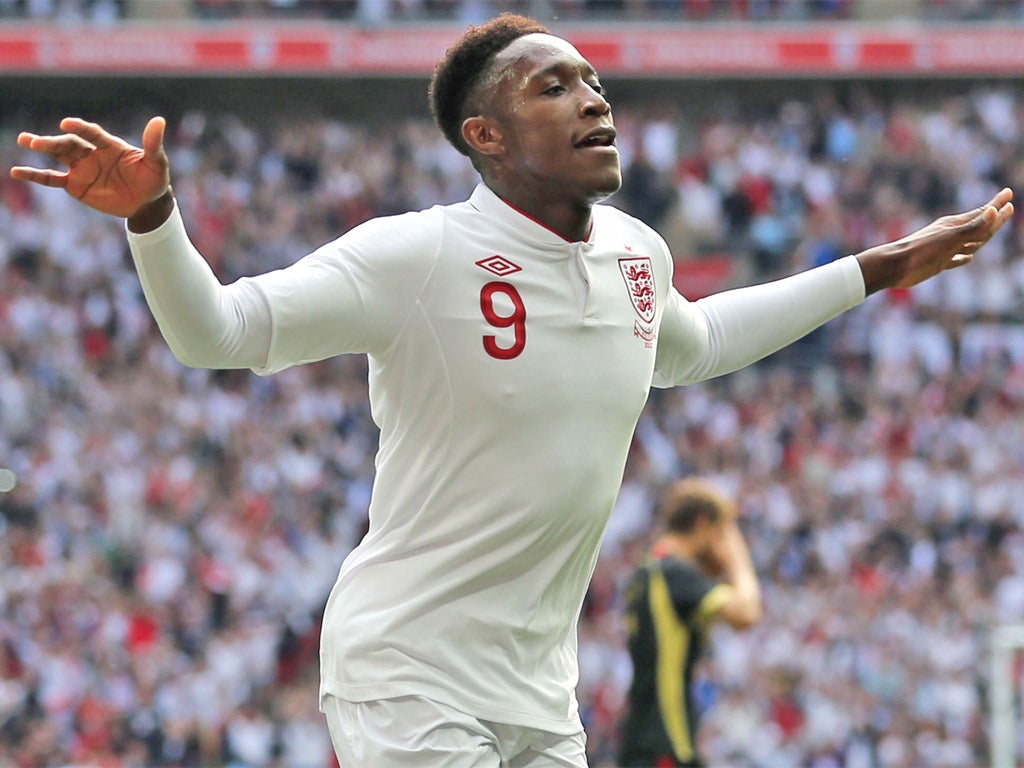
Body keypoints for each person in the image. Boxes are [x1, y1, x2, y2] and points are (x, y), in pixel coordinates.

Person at [9, 12, 1014, 768]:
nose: (593, 99)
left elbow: (695, 342)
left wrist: (883, 265)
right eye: (553, 87)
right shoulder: (416, 255)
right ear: (484, 136)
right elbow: (217, 334)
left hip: (540, 689)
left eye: (591, 80)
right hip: (407, 670)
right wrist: (154, 219)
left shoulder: (634, 253)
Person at [617, 478, 761, 768]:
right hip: (664, 743)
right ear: (702, 524)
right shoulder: (674, 573)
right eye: (722, 532)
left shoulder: (648, 571)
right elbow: (746, 613)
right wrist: (738, 558)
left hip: (642, 739)